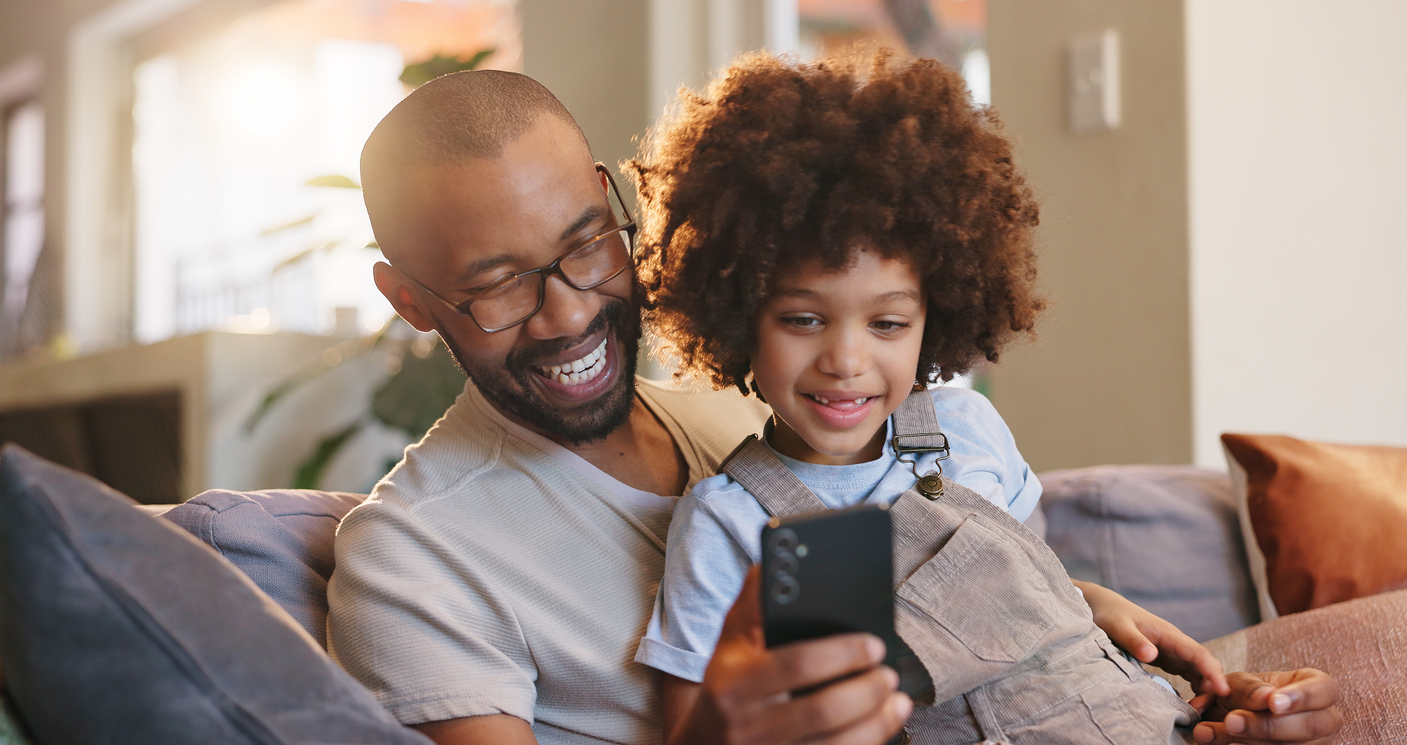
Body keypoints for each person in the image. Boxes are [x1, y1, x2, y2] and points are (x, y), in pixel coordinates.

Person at [327, 68, 1342, 745]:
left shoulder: (762, 411)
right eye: (498, 285)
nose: (569, 311)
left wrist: (1095, 625)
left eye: (587, 244)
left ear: (607, 199)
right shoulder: (413, 554)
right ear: (408, 299)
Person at [628, 50, 1341, 745]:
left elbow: (1033, 594)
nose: (845, 360)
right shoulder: (726, 522)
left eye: (887, 324)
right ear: (734, 316)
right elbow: (694, 730)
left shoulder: (966, 428)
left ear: (935, 316)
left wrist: (1099, 608)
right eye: (803, 319)